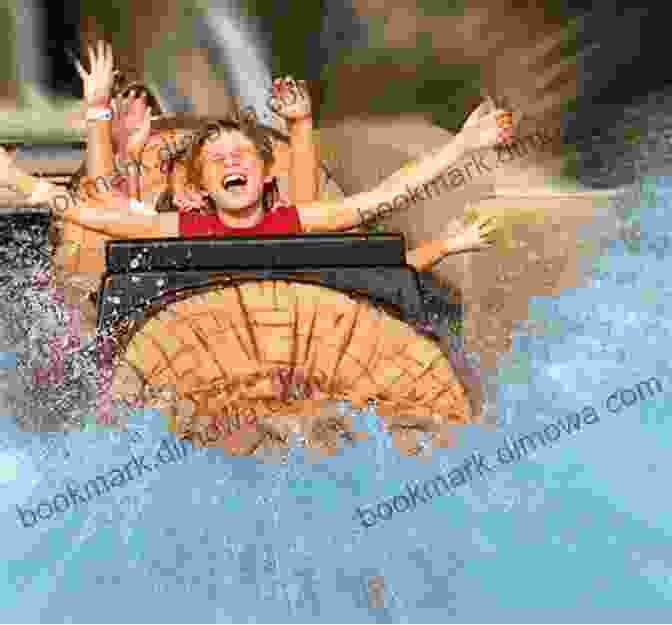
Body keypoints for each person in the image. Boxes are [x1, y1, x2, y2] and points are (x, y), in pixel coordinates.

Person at [63, 100, 516, 272]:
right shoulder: (183, 228)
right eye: (218, 161)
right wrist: (24, 184)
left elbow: (387, 194)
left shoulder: (296, 222)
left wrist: (461, 146)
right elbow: (98, 211)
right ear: (204, 187)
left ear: (265, 175)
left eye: (241, 156)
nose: (231, 164)